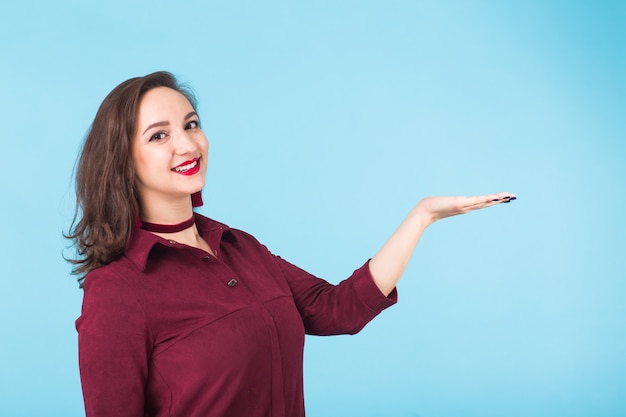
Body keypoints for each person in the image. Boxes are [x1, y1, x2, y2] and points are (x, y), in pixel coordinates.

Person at [67, 71, 516, 417]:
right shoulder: (118, 289)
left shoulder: (241, 248)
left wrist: (422, 217)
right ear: (123, 160)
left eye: (192, 124)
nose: (187, 144)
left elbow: (338, 309)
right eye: (159, 135)